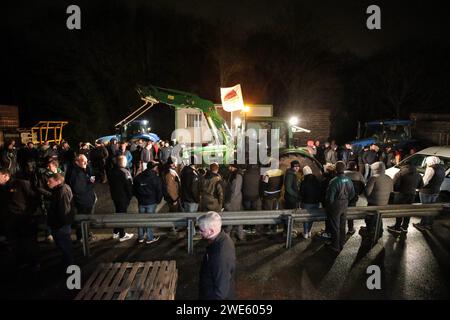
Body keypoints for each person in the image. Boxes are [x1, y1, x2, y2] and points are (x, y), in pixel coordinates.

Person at [0, 168, 40, 269]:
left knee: (28, 242)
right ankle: (21, 261)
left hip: (24, 219)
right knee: (16, 243)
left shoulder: (20, 183)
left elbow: (34, 197)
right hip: (10, 221)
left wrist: (29, 212)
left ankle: (34, 263)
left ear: (6, 175)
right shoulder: (2, 188)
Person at [198, 211, 236, 300]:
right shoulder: (224, 238)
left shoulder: (220, 256)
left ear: (211, 231)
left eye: (202, 230)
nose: (199, 232)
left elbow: (221, 292)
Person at [324, 161, 355, 253]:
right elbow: (352, 194)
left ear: (336, 169)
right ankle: (342, 243)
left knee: (335, 226)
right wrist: (346, 200)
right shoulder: (348, 179)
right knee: (342, 225)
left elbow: (330, 198)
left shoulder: (334, 181)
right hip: (345, 204)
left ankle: (335, 246)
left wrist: (330, 205)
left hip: (336, 206)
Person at [46, 173, 74, 267]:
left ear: (58, 181)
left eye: (50, 181)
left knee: (65, 245)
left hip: (61, 226)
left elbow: (64, 211)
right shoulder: (59, 189)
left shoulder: (62, 191)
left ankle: (68, 266)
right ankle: (66, 262)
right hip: (60, 225)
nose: (47, 183)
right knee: (64, 245)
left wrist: (59, 224)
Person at [387, 163, 423, 235]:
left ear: (405, 167)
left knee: (399, 211)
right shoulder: (418, 175)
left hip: (401, 194)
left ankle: (397, 227)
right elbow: (421, 185)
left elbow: (395, 184)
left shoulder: (401, 174)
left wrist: (395, 190)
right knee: (408, 211)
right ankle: (405, 227)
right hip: (412, 195)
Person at [67, 154, 97, 242]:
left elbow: (91, 176)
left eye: (86, 161)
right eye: (83, 161)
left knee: (85, 219)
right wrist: (91, 184)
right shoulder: (76, 173)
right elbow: (79, 189)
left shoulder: (81, 169)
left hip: (86, 199)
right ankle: (82, 237)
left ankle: (85, 234)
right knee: (83, 219)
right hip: (83, 201)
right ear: (77, 162)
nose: (86, 163)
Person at [361, 161, 393, 239]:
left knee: (370, 217)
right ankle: (380, 230)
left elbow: (367, 192)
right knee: (379, 216)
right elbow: (391, 191)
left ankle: (370, 231)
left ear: (375, 169)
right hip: (384, 204)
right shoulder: (389, 178)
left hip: (373, 204)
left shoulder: (374, 178)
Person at [133, 162, 162, 244]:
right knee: (150, 220)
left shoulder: (138, 177)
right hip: (151, 202)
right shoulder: (156, 178)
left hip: (141, 201)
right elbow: (159, 191)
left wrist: (139, 198)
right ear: (154, 168)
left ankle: (140, 237)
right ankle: (149, 238)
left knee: (141, 219)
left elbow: (134, 190)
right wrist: (158, 200)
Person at [413, 156, 446, 231]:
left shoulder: (431, 169)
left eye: (427, 161)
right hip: (436, 190)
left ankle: (423, 225)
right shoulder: (442, 169)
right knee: (431, 208)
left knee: (425, 208)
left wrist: (418, 188)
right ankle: (429, 224)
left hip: (426, 191)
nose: (427, 163)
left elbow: (425, 181)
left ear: (431, 161)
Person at [108, 155, 134, 242]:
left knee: (118, 213)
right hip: (123, 197)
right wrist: (130, 197)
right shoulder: (125, 172)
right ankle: (122, 235)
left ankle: (116, 232)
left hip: (115, 196)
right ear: (123, 162)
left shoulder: (111, 171)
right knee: (122, 215)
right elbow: (129, 186)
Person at [299, 165, 322, 239]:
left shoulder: (304, 182)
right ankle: (309, 231)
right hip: (316, 202)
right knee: (312, 217)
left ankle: (305, 233)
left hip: (306, 203)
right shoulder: (317, 181)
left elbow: (301, 193)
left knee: (305, 218)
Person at [344, 161, 365, 234]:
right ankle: (350, 228)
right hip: (353, 197)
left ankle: (341, 228)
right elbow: (363, 184)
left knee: (342, 212)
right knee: (351, 213)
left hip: (343, 197)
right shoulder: (358, 174)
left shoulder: (344, 173)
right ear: (355, 167)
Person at [224, 163, 244, 241]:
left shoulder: (237, 176)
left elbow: (235, 190)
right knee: (235, 217)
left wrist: (228, 201)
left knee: (232, 217)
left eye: (230, 166)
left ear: (234, 167)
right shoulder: (233, 174)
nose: (229, 167)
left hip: (234, 200)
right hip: (234, 199)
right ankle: (239, 234)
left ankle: (231, 235)